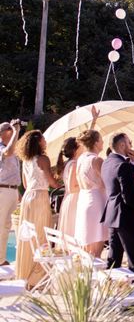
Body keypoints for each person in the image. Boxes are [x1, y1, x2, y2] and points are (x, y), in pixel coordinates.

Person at [15, 130, 61, 287]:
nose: (45, 142)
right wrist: (59, 180)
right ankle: (36, 278)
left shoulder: (26, 160)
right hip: (40, 199)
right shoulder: (43, 159)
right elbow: (52, 183)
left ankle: (25, 274)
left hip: (28, 198)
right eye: (43, 139)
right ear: (38, 142)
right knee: (41, 236)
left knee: (28, 237)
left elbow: (26, 184)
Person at [101, 132, 134, 279]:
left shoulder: (108, 162)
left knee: (114, 258)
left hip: (113, 215)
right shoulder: (122, 165)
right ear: (122, 145)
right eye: (129, 143)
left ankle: (112, 294)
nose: (131, 145)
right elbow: (129, 197)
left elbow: (123, 180)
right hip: (126, 216)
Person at [75, 129, 109, 256]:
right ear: (95, 143)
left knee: (87, 242)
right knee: (97, 242)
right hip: (97, 201)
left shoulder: (81, 158)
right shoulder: (97, 160)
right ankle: (94, 271)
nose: (103, 142)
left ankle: (86, 272)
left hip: (83, 199)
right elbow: (108, 182)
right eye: (100, 140)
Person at [0, 120, 22, 265]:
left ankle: (1, 259)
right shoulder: (1, 148)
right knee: (2, 225)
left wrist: (18, 192)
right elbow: (7, 152)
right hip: (3, 189)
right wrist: (16, 131)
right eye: (9, 129)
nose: (12, 130)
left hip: (12, 190)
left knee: (9, 227)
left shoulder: (12, 150)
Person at [57, 137, 81, 238]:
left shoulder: (68, 163)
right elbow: (72, 188)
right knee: (73, 231)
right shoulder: (74, 164)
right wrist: (87, 186)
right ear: (76, 149)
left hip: (68, 199)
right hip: (74, 200)